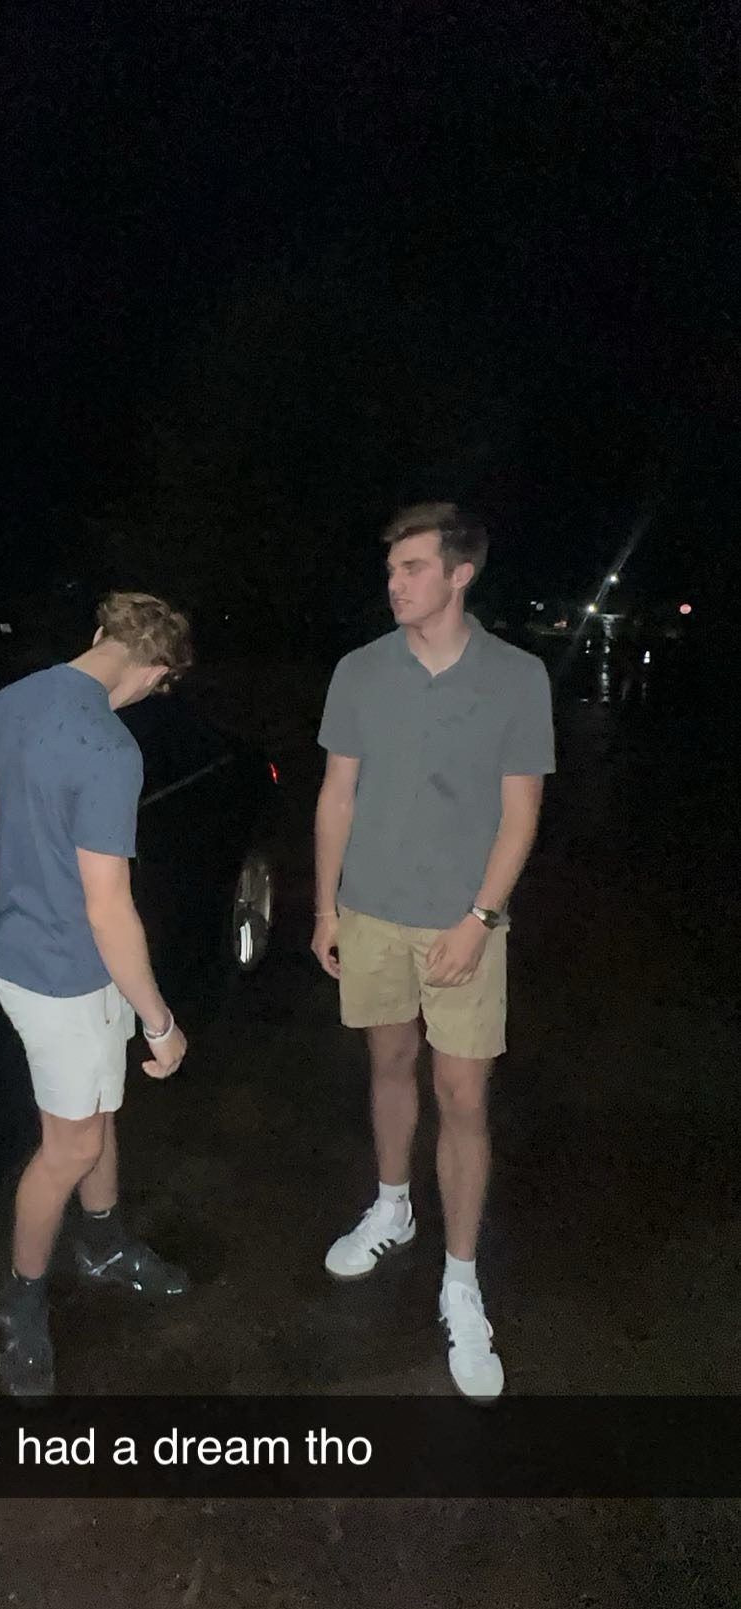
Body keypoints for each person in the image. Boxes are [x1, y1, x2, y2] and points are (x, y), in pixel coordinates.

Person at [312, 505, 555, 1400]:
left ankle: (460, 1279)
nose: (395, 583)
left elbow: (521, 816)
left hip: (463, 922)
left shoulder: (517, 677)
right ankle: (391, 1207)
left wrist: (480, 918)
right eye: (391, 569)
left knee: (462, 1096)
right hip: (371, 913)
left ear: (461, 574)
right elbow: (337, 795)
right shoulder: (360, 671)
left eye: (412, 567)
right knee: (388, 1063)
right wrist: (326, 907)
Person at [0, 591, 194, 1399]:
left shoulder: (18, 697)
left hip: (27, 952)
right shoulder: (110, 748)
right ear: (155, 671)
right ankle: (20, 1302)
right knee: (71, 1147)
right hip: (62, 972)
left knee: (96, 1110)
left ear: (99, 635)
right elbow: (108, 906)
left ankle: (104, 1243)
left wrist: (27, 840)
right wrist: (160, 1021)